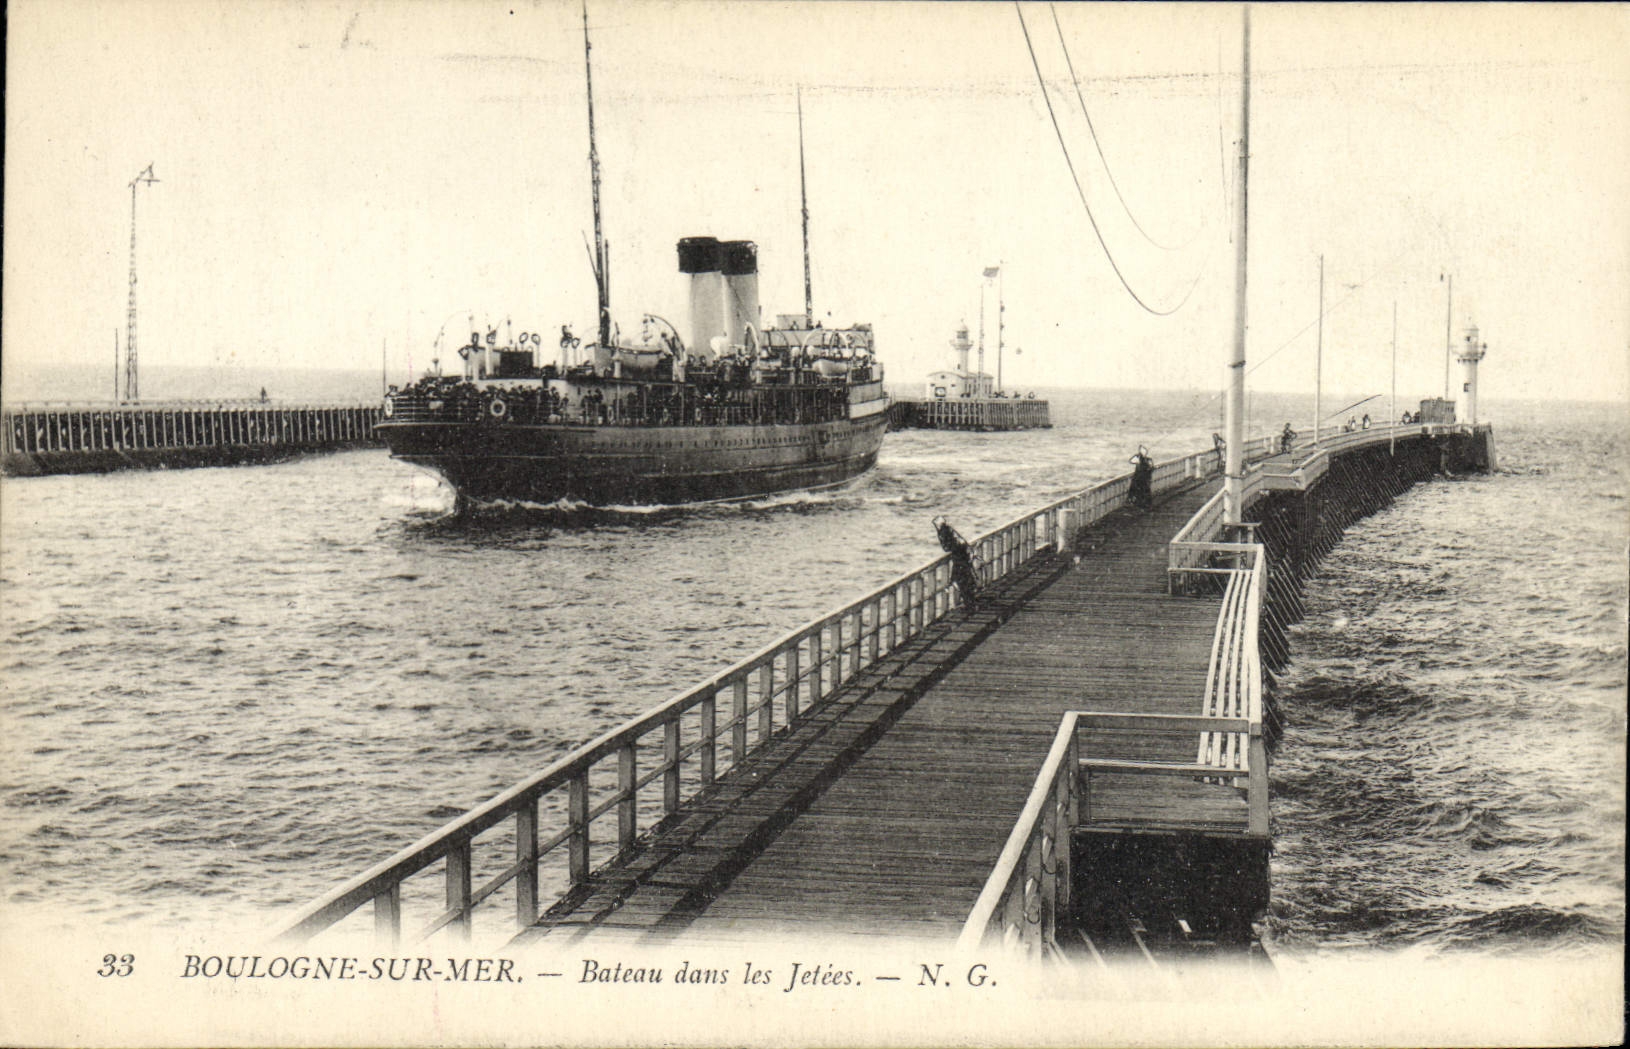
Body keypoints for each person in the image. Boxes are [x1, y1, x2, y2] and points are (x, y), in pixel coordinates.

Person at [934, 517, 982, 610]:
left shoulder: (944, 532)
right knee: (966, 580)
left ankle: (970, 605)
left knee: (962, 581)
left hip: (959, 559)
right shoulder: (951, 530)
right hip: (964, 556)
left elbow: (946, 547)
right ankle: (971, 603)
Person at [1129, 445, 1154, 509]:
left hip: (1139, 479)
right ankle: (1146, 504)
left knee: (1138, 491)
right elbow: (1151, 468)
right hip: (1145, 479)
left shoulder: (1139, 459)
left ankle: (1139, 503)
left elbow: (1131, 461)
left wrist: (1136, 456)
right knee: (1145, 491)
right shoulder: (1149, 460)